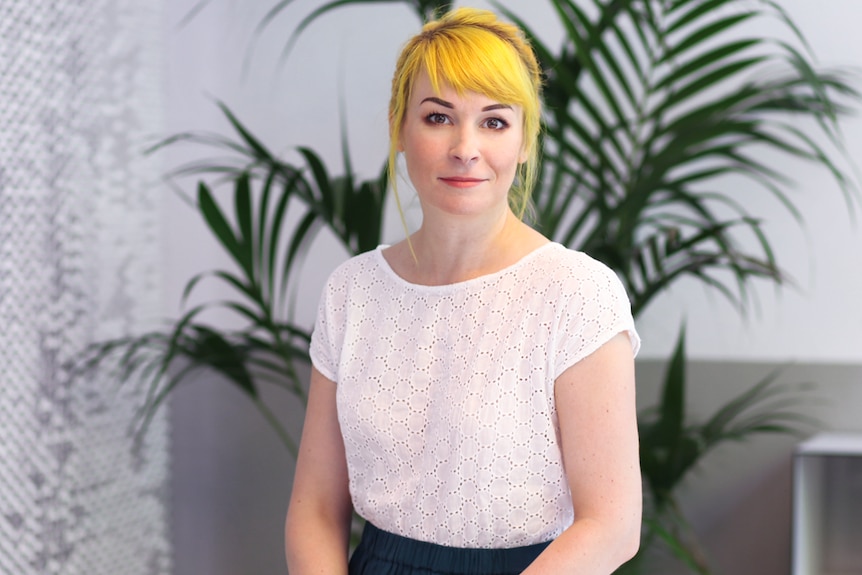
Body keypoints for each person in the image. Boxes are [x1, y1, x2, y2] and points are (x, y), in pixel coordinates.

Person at [285, 7, 642, 575]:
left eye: (494, 122)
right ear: (401, 128)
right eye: (438, 117)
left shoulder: (577, 292)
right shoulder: (352, 292)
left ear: (524, 142)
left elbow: (613, 526)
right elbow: (314, 511)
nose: (465, 147)